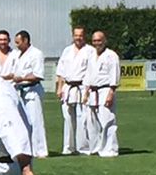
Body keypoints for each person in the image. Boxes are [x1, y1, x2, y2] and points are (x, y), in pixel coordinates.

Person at [7, 30, 47, 158]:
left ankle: (40, 150)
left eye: (18, 42)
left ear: (26, 40)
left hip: (32, 90)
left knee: (35, 121)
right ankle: (28, 149)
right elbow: (15, 73)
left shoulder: (36, 54)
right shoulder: (18, 55)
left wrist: (22, 78)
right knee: (23, 122)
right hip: (20, 91)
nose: (16, 45)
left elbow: (38, 75)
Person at [55, 26, 94, 155]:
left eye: (80, 35)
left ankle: (83, 147)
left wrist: (87, 91)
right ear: (73, 36)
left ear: (84, 36)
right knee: (67, 118)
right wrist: (59, 88)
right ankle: (68, 147)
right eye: (76, 35)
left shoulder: (90, 51)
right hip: (68, 87)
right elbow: (60, 71)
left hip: (82, 87)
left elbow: (91, 71)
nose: (78, 38)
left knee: (82, 118)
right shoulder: (67, 51)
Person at [83, 30, 120, 157]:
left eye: (99, 40)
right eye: (94, 40)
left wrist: (111, 92)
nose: (97, 43)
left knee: (107, 120)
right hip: (92, 91)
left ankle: (111, 148)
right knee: (92, 122)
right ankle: (96, 148)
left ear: (105, 41)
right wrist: (86, 92)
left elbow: (114, 75)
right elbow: (88, 74)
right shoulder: (91, 55)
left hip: (105, 90)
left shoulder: (111, 55)